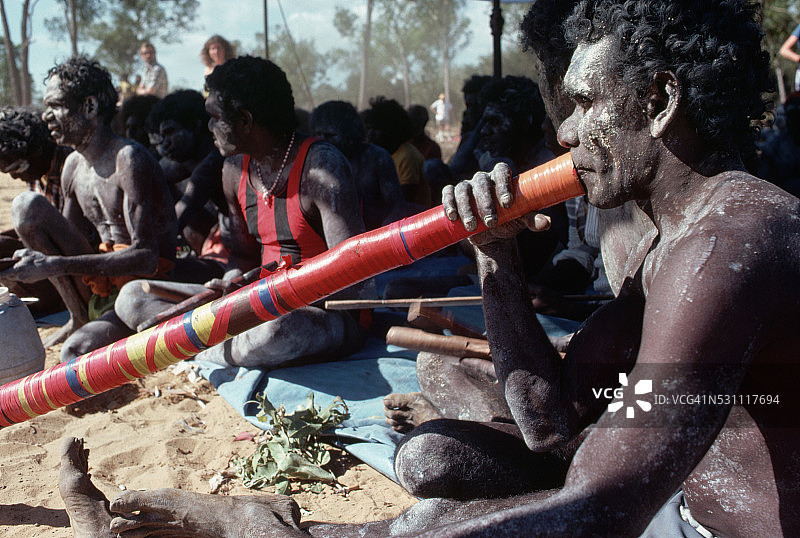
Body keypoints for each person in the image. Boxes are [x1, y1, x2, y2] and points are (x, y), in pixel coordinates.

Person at [59, 1, 800, 536]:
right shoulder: (667, 244)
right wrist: (495, 256)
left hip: (675, 520)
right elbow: (548, 426)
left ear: (660, 100)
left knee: (433, 514)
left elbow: (601, 505)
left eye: (581, 102)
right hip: (659, 500)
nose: (565, 132)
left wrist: (326, 534)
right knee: (436, 461)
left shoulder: (731, 240)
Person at [111, 56, 374, 371]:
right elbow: (244, 257)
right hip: (258, 305)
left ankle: (199, 354)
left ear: (246, 122)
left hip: (324, 315)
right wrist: (233, 281)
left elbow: (356, 281)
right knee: (132, 298)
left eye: (215, 117)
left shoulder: (322, 169)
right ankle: (217, 349)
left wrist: (272, 291)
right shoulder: (234, 170)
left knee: (281, 330)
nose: (210, 127)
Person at [0, 57, 177, 354]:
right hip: (99, 285)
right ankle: (78, 315)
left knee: (76, 351)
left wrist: (53, 265)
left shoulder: (129, 159)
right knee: (25, 206)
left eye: (56, 106)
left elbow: (147, 257)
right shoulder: (72, 165)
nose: (47, 116)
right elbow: (67, 242)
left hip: (142, 288)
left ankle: (89, 322)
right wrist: (23, 263)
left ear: (90, 107)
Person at [0, 106, 72, 316]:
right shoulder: (36, 171)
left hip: (71, 266)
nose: (14, 178)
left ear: (36, 150)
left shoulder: (68, 165)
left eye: (16, 168)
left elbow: (68, 237)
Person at [144, 88, 227, 273]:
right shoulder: (189, 163)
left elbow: (178, 217)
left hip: (242, 252)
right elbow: (154, 180)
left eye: (170, 132)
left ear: (195, 126)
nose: (164, 144)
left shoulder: (214, 161)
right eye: (161, 137)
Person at [310, 100, 419, 231]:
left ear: (348, 131)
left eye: (329, 135)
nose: (323, 140)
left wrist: (380, 240)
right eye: (318, 135)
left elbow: (397, 207)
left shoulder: (377, 157)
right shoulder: (317, 163)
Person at [362, 96, 431, 208]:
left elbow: (402, 203)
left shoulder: (407, 156)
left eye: (375, 129)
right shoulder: (387, 155)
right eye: (368, 129)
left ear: (391, 130)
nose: (370, 135)